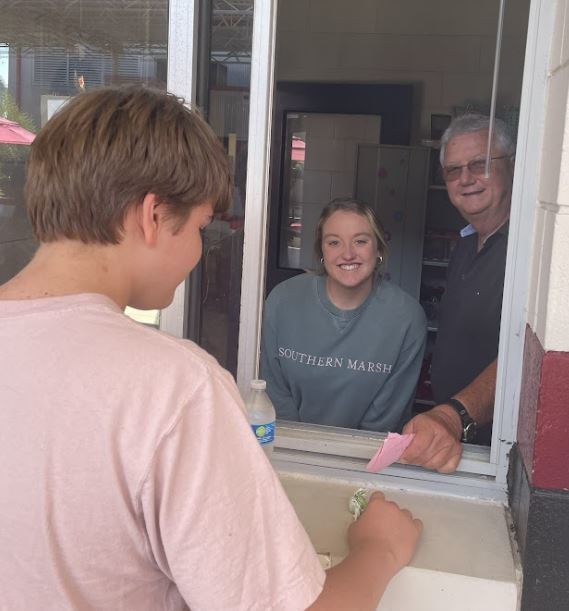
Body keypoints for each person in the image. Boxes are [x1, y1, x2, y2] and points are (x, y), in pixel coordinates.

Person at [0, 85, 422, 610]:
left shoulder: (402, 316)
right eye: (201, 226)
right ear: (152, 216)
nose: (201, 248)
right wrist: (378, 549)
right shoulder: (174, 391)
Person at [401, 114, 515, 473]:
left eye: (479, 164)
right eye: (453, 170)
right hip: (457, 441)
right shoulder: (466, 242)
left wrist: (456, 415)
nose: (465, 179)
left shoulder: (529, 249)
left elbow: (523, 357)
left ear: (511, 166)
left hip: (498, 452)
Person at [261, 198, 427, 432]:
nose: (347, 254)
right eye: (334, 242)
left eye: (360, 241)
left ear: (378, 248)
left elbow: (386, 417)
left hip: (364, 459)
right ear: (321, 251)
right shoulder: (282, 301)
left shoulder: (407, 318)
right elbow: (273, 391)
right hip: (287, 447)